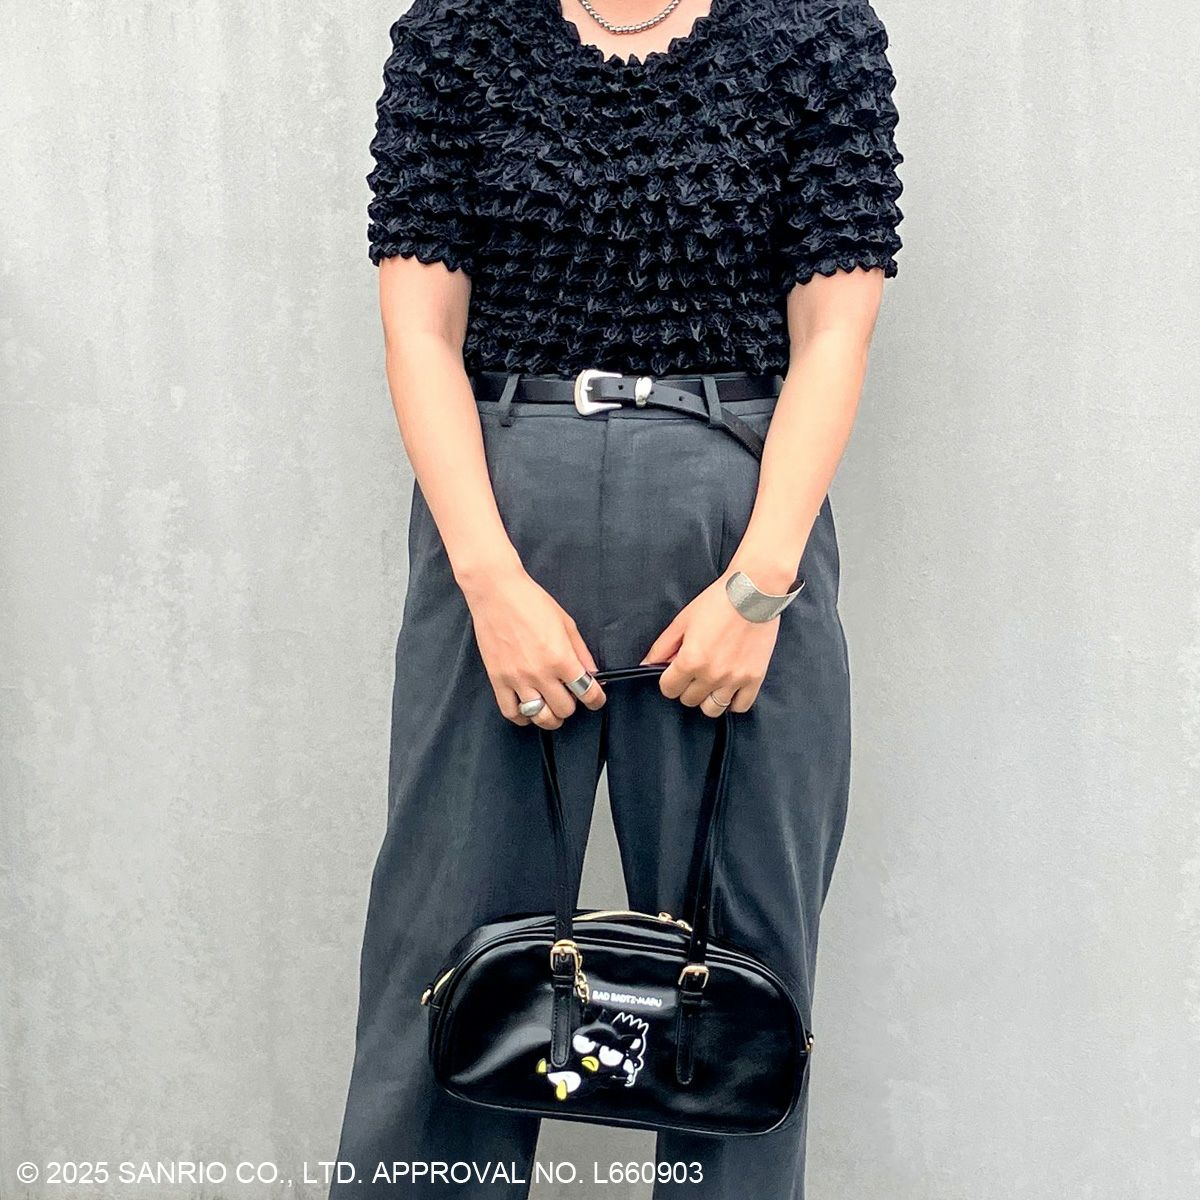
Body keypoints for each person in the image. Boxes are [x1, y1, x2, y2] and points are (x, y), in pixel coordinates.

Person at [332, 0, 904, 1194]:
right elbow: (420, 332)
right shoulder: (457, 31)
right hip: (501, 523)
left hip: (736, 530)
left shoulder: (816, 32)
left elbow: (833, 337)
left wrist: (760, 586)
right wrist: (488, 579)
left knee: (740, 987)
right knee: (444, 959)